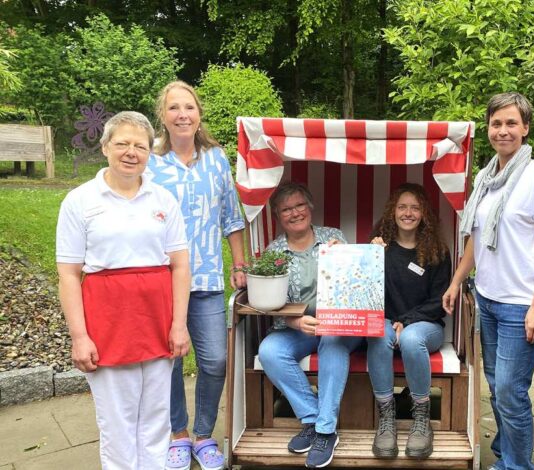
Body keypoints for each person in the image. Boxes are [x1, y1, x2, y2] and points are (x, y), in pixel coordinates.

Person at [56, 111, 191, 469]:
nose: (131, 152)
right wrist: (79, 336)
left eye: (140, 146)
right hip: (108, 322)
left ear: (150, 153)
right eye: (122, 144)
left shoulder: (163, 200)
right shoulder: (80, 201)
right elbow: (69, 274)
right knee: (117, 423)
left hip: (157, 321)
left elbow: (180, 265)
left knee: (157, 420)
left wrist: (179, 325)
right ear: (105, 148)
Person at [443, 92, 534, 470]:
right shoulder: (485, 178)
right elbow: (476, 241)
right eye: (497, 123)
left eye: (512, 123)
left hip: (522, 303)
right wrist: (456, 281)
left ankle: (516, 464)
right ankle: (507, 447)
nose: (503, 130)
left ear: (526, 128)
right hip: (488, 298)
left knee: (511, 391)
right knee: (497, 386)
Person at [146, 80, 247, 470]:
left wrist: (239, 264)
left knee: (215, 361)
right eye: (174, 108)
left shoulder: (217, 159)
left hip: (206, 278)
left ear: (199, 113)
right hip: (162, 279)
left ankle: (204, 434)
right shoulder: (151, 162)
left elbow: (231, 218)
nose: (182, 114)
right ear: (164, 116)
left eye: (188, 107)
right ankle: (178, 434)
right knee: (168, 361)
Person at [256, 182, 361, 469]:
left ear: (310, 207)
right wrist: (295, 320)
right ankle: (313, 419)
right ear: (278, 216)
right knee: (270, 351)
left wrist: (346, 257)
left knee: (332, 341)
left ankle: (326, 431)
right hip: (296, 328)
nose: (295, 213)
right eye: (286, 209)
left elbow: (356, 280)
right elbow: (269, 301)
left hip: (339, 325)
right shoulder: (274, 251)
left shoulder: (333, 237)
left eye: (299, 205)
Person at [367, 183, 452, 459]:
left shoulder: (438, 251)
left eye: (415, 207)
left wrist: (407, 320)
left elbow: (439, 302)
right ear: (393, 211)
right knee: (378, 334)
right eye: (402, 207)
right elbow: (365, 289)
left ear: (424, 213)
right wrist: (370, 257)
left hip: (427, 326)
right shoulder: (381, 245)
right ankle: (386, 419)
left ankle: (421, 419)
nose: (408, 213)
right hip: (387, 322)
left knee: (411, 338)